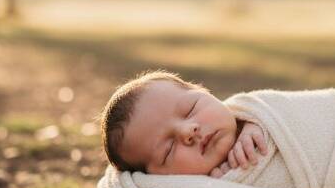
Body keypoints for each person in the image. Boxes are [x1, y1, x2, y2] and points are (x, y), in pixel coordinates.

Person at [100, 70, 268, 178]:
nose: (188, 131)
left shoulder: (259, 111)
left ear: (205, 92)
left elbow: (285, 111)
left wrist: (260, 124)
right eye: (168, 149)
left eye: (191, 109)